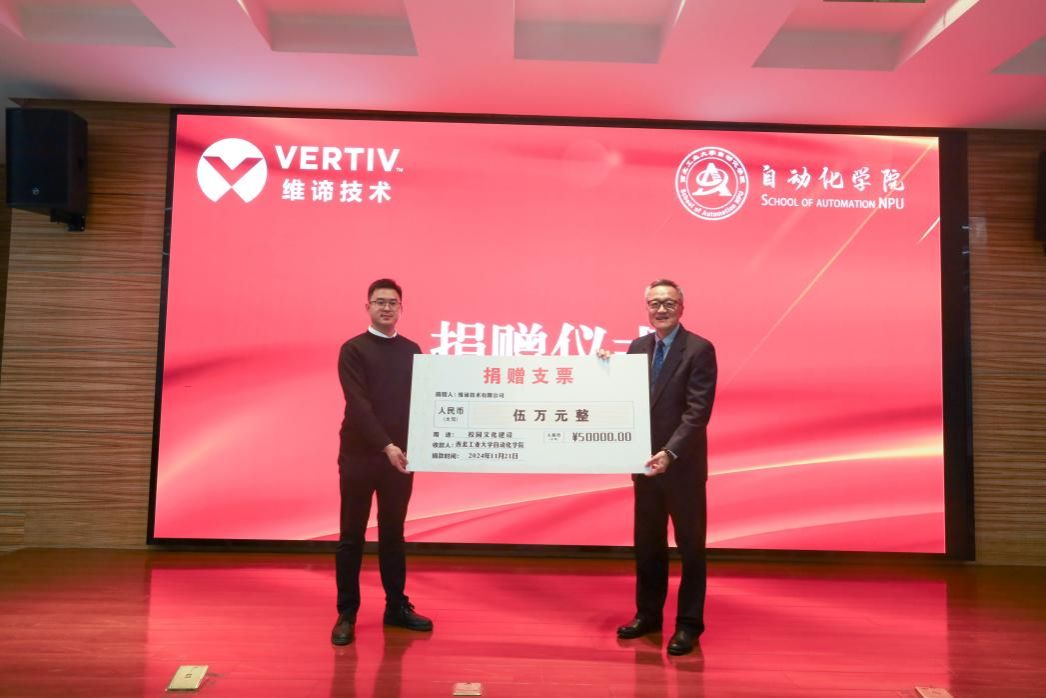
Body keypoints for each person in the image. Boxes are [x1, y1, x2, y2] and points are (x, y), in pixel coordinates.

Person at [615, 278, 717, 656]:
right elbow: (623, 399)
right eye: (655, 303)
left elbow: (697, 412)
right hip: (644, 466)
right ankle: (648, 615)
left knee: (690, 549)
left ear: (681, 307)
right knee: (648, 546)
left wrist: (669, 453)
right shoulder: (637, 348)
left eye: (669, 303)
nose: (661, 309)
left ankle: (689, 625)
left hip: (681, 468)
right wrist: (603, 369)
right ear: (647, 308)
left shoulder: (699, 349)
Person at [331, 278, 433, 646]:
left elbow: (423, 401)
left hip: (400, 459)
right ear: (368, 307)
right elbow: (359, 405)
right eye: (379, 302)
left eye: (392, 302)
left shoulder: (412, 351)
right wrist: (386, 445)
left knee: (393, 533)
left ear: (401, 308)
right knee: (351, 536)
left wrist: (423, 446)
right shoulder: (353, 349)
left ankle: (396, 607)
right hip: (360, 457)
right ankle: (347, 612)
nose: (386, 308)